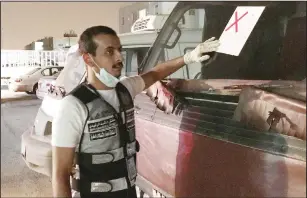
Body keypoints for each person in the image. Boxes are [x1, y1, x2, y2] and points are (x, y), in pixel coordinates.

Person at [51, 25, 220, 198]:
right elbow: (60, 175)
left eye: (119, 50)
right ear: (88, 59)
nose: (119, 57)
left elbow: (155, 74)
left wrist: (189, 57)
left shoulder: (125, 89)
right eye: (109, 52)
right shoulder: (73, 106)